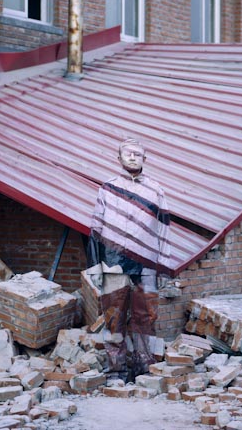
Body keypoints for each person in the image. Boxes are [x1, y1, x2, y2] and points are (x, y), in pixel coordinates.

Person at [87, 138, 171, 382]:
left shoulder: (156, 191)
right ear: (119, 159)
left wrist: (163, 267)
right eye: (128, 154)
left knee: (146, 317)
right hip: (114, 263)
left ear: (145, 158)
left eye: (138, 153)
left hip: (147, 265)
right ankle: (117, 370)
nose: (133, 157)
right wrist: (94, 265)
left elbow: (164, 231)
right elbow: (96, 228)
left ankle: (144, 369)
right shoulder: (108, 188)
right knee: (114, 317)